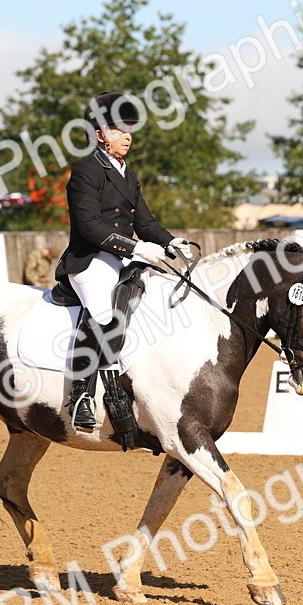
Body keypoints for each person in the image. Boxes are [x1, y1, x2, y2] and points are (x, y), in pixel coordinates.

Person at [54, 92, 194, 431]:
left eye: (129, 129)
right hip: (90, 261)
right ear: (100, 133)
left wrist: (169, 240)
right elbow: (89, 227)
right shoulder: (87, 171)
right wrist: (136, 248)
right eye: (119, 129)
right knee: (103, 312)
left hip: (123, 258)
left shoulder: (128, 174)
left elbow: (144, 222)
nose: (127, 136)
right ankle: (80, 397)